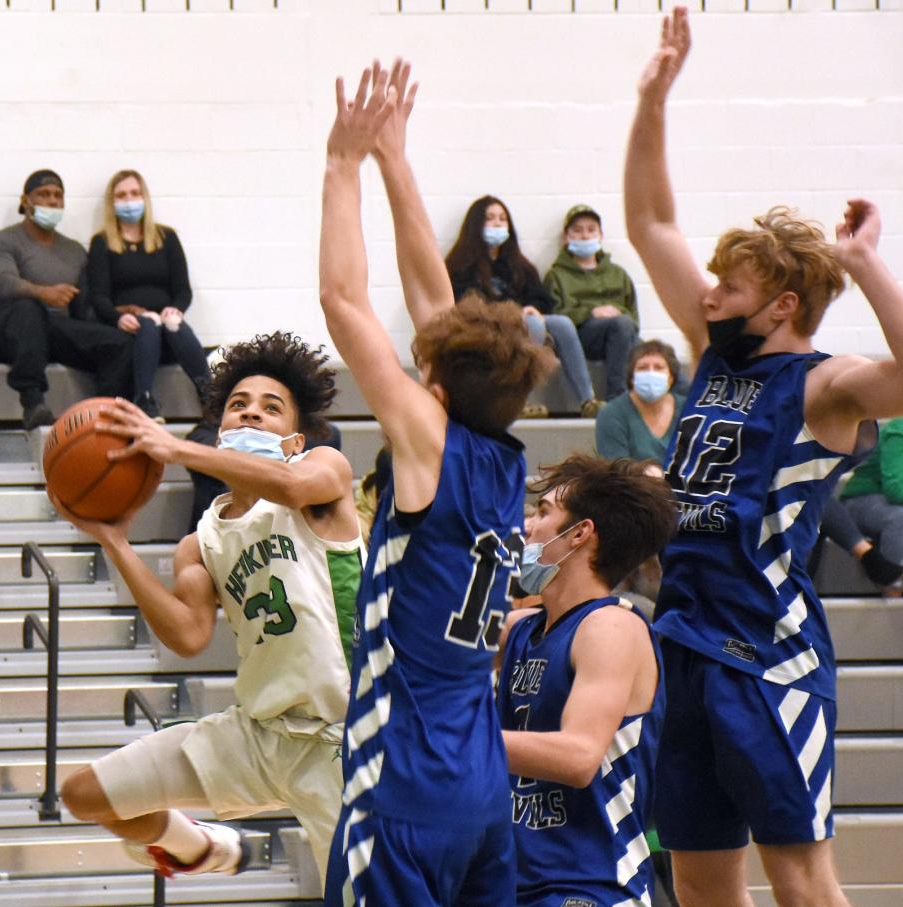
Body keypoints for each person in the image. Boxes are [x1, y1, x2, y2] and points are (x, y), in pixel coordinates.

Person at [625, 10, 903, 907]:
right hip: (680, 636)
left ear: (782, 304)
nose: (708, 294)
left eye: (730, 286)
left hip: (767, 650)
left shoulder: (825, 384)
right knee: (701, 875)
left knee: (798, 874)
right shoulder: (710, 350)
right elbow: (647, 221)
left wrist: (864, 264)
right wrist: (652, 102)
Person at [320, 61, 555, 906]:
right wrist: (397, 161)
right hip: (482, 796)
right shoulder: (503, 455)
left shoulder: (430, 443)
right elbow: (436, 305)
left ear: (438, 393)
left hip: (401, 790)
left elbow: (344, 301)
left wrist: (341, 166)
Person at [57, 332, 364, 886]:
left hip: (344, 741)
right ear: (219, 430)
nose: (250, 415)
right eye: (237, 406)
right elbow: (188, 636)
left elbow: (293, 490)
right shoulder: (200, 542)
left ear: (293, 440)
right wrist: (116, 544)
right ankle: (199, 846)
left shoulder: (323, 473)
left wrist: (172, 448)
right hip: (258, 735)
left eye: (270, 409)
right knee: (84, 795)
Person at [496, 455, 678, 907]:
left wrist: (451, 739)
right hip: (513, 881)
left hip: (591, 886)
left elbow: (578, 756)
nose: (527, 527)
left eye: (542, 514)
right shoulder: (521, 629)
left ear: (580, 533)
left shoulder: (611, 627)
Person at [0, 169, 133, 430]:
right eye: (43, 194)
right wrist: (43, 293)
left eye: (57, 196)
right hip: (10, 334)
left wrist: (117, 312)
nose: (51, 201)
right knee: (28, 307)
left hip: (55, 334)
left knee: (118, 342)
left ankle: (107, 416)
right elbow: (2, 284)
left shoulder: (74, 250)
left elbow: (83, 310)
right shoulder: (1, 241)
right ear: (26, 200)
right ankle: (33, 403)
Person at [446, 195, 598, 418]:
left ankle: (588, 400)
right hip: (483, 328)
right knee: (533, 326)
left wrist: (534, 307)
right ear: (476, 224)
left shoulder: (518, 264)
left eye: (502, 219)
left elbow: (541, 298)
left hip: (523, 322)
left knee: (561, 323)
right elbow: (461, 304)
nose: (497, 223)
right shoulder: (460, 265)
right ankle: (519, 402)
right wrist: (510, 313)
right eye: (490, 219)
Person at [88, 169, 210, 421]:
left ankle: (210, 395)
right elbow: (99, 297)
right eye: (121, 195)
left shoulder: (166, 237)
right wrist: (116, 318)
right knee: (149, 321)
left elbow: (183, 290)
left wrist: (176, 308)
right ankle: (143, 398)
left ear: (145, 197)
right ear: (112, 203)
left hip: (168, 328)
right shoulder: (101, 242)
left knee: (172, 321)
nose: (129, 200)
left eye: (135, 193)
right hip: (132, 327)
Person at [544, 204, 640, 400]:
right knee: (621, 324)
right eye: (577, 231)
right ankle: (618, 397)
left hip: (621, 334)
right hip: (581, 338)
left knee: (661, 355)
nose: (585, 236)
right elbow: (555, 317)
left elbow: (633, 317)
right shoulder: (556, 276)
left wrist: (615, 311)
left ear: (600, 235)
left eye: (591, 230)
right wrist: (591, 312)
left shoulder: (618, 274)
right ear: (566, 237)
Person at [839, 416, 903, 597]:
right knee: (900, 518)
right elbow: (896, 489)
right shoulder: (901, 430)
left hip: (895, 502)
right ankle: (893, 586)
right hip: (862, 500)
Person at [596, 339, 685, 462]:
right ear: (632, 377)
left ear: (671, 378)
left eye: (658, 367)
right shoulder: (611, 413)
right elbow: (614, 470)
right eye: (643, 368)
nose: (650, 373)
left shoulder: (688, 410)